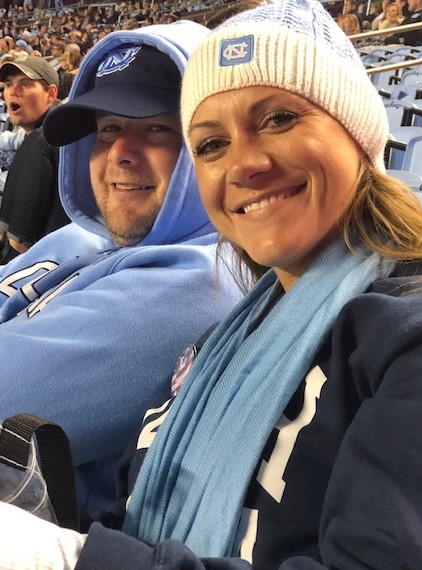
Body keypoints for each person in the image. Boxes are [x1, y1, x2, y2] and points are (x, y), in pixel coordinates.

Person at [2, 0, 422, 567]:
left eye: (278, 119)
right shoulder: (222, 343)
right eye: (210, 144)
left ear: (356, 129)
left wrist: (61, 557)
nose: (243, 164)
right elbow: (131, 515)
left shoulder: (408, 337)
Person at [0, 22, 243, 517]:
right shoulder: (87, 235)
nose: (120, 154)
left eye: (157, 128)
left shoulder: (198, 282)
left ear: (214, 145)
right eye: (108, 128)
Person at [0, 56, 69, 262]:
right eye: (8, 84)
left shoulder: (40, 140)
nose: (13, 91)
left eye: (25, 84)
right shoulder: (60, 129)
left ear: (51, 94)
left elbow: (19, 244)